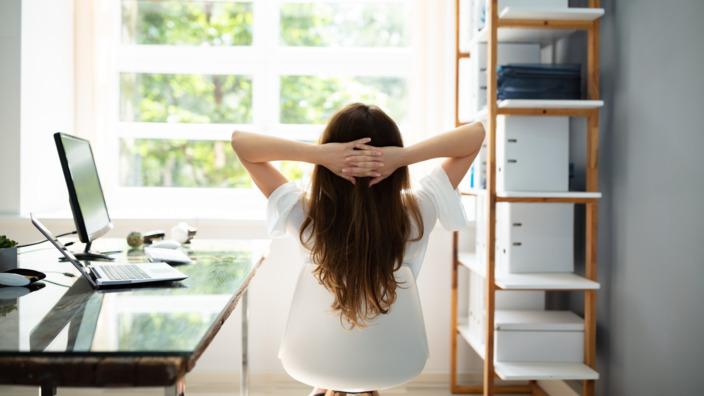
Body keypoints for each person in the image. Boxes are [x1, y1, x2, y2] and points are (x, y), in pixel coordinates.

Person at [230, 103, 485, 396]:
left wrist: (317, 155)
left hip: (316, 360)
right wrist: (403, 157)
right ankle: (357, 383)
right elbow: (476, 135)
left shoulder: (305, 214)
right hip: (392, 360)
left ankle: (333, 383)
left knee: (331, 331)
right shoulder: (418, 211)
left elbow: (240, 142)